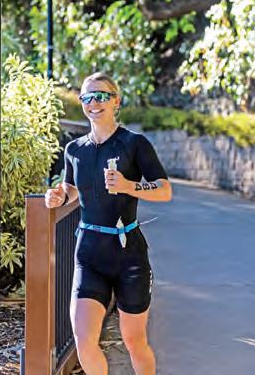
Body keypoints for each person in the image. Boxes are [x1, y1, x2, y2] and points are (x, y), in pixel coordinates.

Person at [45, 72, 172, 375]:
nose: (94, 103)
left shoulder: (134, 144)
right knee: (83, 339)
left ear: (116, 101)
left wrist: (129, 186)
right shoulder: (74, 149)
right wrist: (59, 195)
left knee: (134, 341)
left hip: (129, 255)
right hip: (89, 253)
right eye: (87, 97)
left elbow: (164, 190)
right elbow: (72, 188)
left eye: (101, 96)